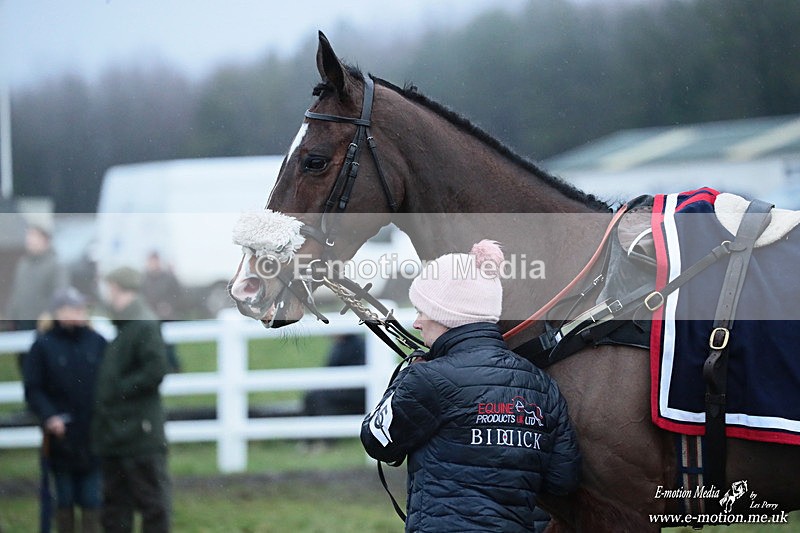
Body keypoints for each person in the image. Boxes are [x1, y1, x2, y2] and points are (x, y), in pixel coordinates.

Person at [361, 240, 581, 532]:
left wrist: (405, 376)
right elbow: (562, 480)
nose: (416, 323)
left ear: (446, 315)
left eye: (422, 310)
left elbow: (378, 441)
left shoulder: (426, 379)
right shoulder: (543, 386)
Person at [92, 267, 172, 532]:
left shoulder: (142, 324)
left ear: (117, 287)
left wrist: (118, 390)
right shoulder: (127, 325)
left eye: (109, 287)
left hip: (139, 434)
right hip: (120, 434)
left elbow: (156, 369)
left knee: (151, 504)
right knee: (116, 506)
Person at [23, 287, 106, 533]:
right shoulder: (42, 346)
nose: (81, 312)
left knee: (92, 499)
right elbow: (33, 388)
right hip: (60, 438)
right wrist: (49, 416)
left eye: (82, 307)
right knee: (63, 499)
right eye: (74, 308)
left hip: (91, 435)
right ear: (59, 312)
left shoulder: (97, 342)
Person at [6, 222, 68, 332]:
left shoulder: (55, 264)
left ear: (46, 240)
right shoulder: (23, 264)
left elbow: (60, 295)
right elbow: (17, 293)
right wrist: (10, 316)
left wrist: (50, 314)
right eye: (29, 236)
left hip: (44, 325)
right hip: (22, 322)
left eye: (34, 236)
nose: (29, 240)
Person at [303, 334, 366, 417]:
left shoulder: (355, 346)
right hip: (344, 394)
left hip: (353, 396)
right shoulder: (341, 347)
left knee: (317, 398)